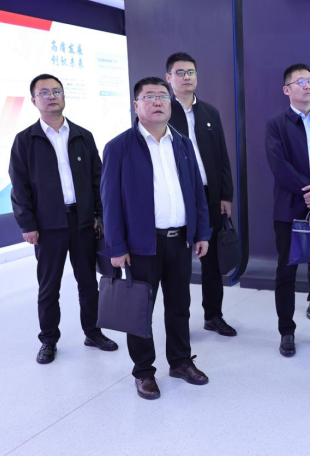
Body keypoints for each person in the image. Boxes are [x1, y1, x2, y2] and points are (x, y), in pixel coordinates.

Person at [100, 77, 212, 400]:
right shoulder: (119, 147)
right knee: (140, 311)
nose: (158, 101)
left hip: (180, 241)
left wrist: (201, 232)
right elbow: (110, 202)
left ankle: (180, 361)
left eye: (163, 96)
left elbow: (196, 192)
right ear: (137, 105)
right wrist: (116, 247)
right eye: (149, 97)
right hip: (140, 246)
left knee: (179, 306)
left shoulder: (182, 143)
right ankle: (144, 372)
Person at [8, 73, 118, 365]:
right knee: (49, 287)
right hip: (47, 227)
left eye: (57, 91)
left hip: (83, 223)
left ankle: (93, 332)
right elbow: (19, 187)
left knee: (88, 283)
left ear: (64, 96)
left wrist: (99, 215)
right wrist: (27, 224)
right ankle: (48, 340)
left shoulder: (82, 135)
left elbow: (98, 180)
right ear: (34, 100)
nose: (52, 96)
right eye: (44, 92)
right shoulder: (25, 140)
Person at [265, 63, 310, 357]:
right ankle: (287, 331)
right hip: (290, 206)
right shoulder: (276, 123)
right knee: (286, 270)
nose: (308, 86)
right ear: (287, 90)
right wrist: (309, 190)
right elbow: (278, 164)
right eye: (300, 82)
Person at [165, 52, 237, 337]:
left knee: (212, 261)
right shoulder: (163, 112)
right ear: (169, 77)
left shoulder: (210, 112)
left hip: (210, 196)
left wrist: (225, 195)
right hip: (179, 198)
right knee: (179, 264)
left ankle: (213, 315)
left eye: (191, 72)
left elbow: (222, 156)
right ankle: (179, 321)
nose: (186, 77)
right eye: (180, 72)